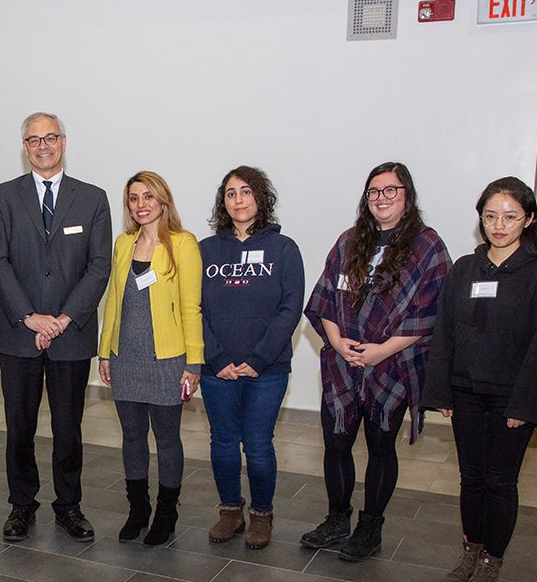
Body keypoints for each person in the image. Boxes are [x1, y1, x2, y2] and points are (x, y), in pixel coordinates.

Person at [422, 177, 537, 582]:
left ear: (529, 219)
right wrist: (441, 391)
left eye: (510, 217)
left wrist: (525, 403)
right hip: (465, 391)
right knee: (471, 478)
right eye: (490, 216)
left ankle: (491, 564)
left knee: (501, 482)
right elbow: (444, 331)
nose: (499, 225)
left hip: (509, 398)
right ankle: (471, 551)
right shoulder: (465, 268)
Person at [302, 162, 451, 561]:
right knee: (336, 442)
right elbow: (324, 298)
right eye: (374, 191)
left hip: (394, 364)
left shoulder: (427, 246)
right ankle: (337, 519)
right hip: (342, 361)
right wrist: (337, 341)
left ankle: (370, 528)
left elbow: (432, 311)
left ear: (407, 195)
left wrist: (382, 350)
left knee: (381, 444)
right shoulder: (349, 242)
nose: (381, 198)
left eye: (391, 190)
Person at [0, 112, 112, 543]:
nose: (43, 145)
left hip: (70, 334)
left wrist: (61, 319)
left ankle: (69, 505)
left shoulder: (92, 198)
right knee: (18, 425)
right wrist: (29, 317)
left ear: (63, 142)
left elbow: (99, 267)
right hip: (18, 332)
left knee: (68, 427)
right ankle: (21, 505)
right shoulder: (2, 197)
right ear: (24, 147)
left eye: (50, 137)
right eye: (34, 139)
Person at [200, 167, 304, 549]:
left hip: (268, 369)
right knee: (223, 442)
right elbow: (194, 309)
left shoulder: (284, 249)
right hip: (217, 370)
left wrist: (259, 359)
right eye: (230, 193)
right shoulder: (206, 250)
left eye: (246, 192)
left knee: (258, 444)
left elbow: (290, 309)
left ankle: (262, 515)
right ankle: (230, 511)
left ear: (260, 198)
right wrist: (216, 356)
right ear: (223, 202)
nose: (238, 199)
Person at [98, 171, 203, 546]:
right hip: (125, 358)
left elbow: (192, 308)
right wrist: (105, 351)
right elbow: (113, 301)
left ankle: (167, 512)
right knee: (132, 436)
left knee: (167, 438)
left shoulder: (183, 244)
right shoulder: (123, 243)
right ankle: (138, 509)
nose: (140, 205)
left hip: (168, 360)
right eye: (133, 198)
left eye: (148, 197)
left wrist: (194, 363)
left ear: (163, 200)